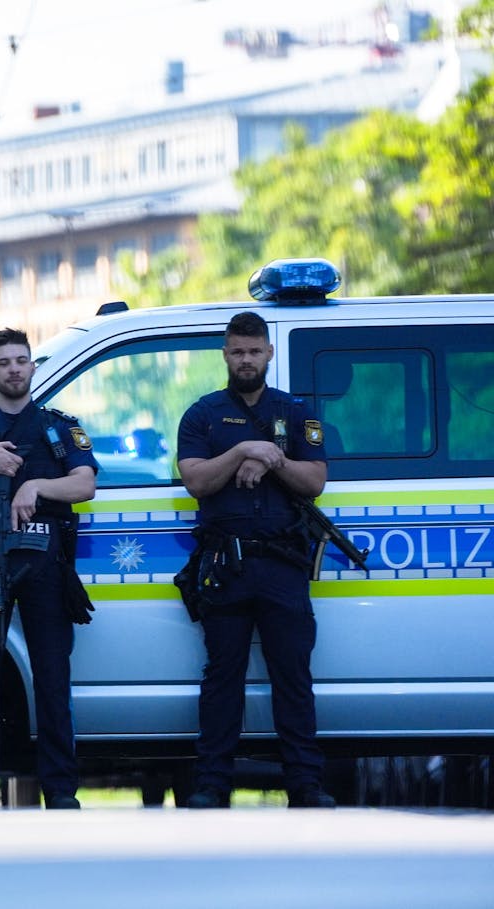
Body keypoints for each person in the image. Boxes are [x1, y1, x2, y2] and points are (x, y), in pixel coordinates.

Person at [175, 311, 336, 809]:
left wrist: (273, 456)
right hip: (227, 566)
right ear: (225, 355)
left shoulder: (296, 413)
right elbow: (197, 481)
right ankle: (211, 785)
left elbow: (313, 483)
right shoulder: (201, 415)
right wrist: (244, 448)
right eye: (237, 352)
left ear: (268, 353)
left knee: (293, 676)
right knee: (222, 678)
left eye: (254, 351)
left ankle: (305, 786)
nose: (246, 360)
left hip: (283, 564)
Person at [0, 328, 99, 811]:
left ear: (32, 368)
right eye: (4, 362)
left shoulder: (57, 426)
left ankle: (62, 791)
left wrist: (37, 489)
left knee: (53, 679)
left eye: (21, 361)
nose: (13, 369)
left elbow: (85, 485)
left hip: (45, 565)